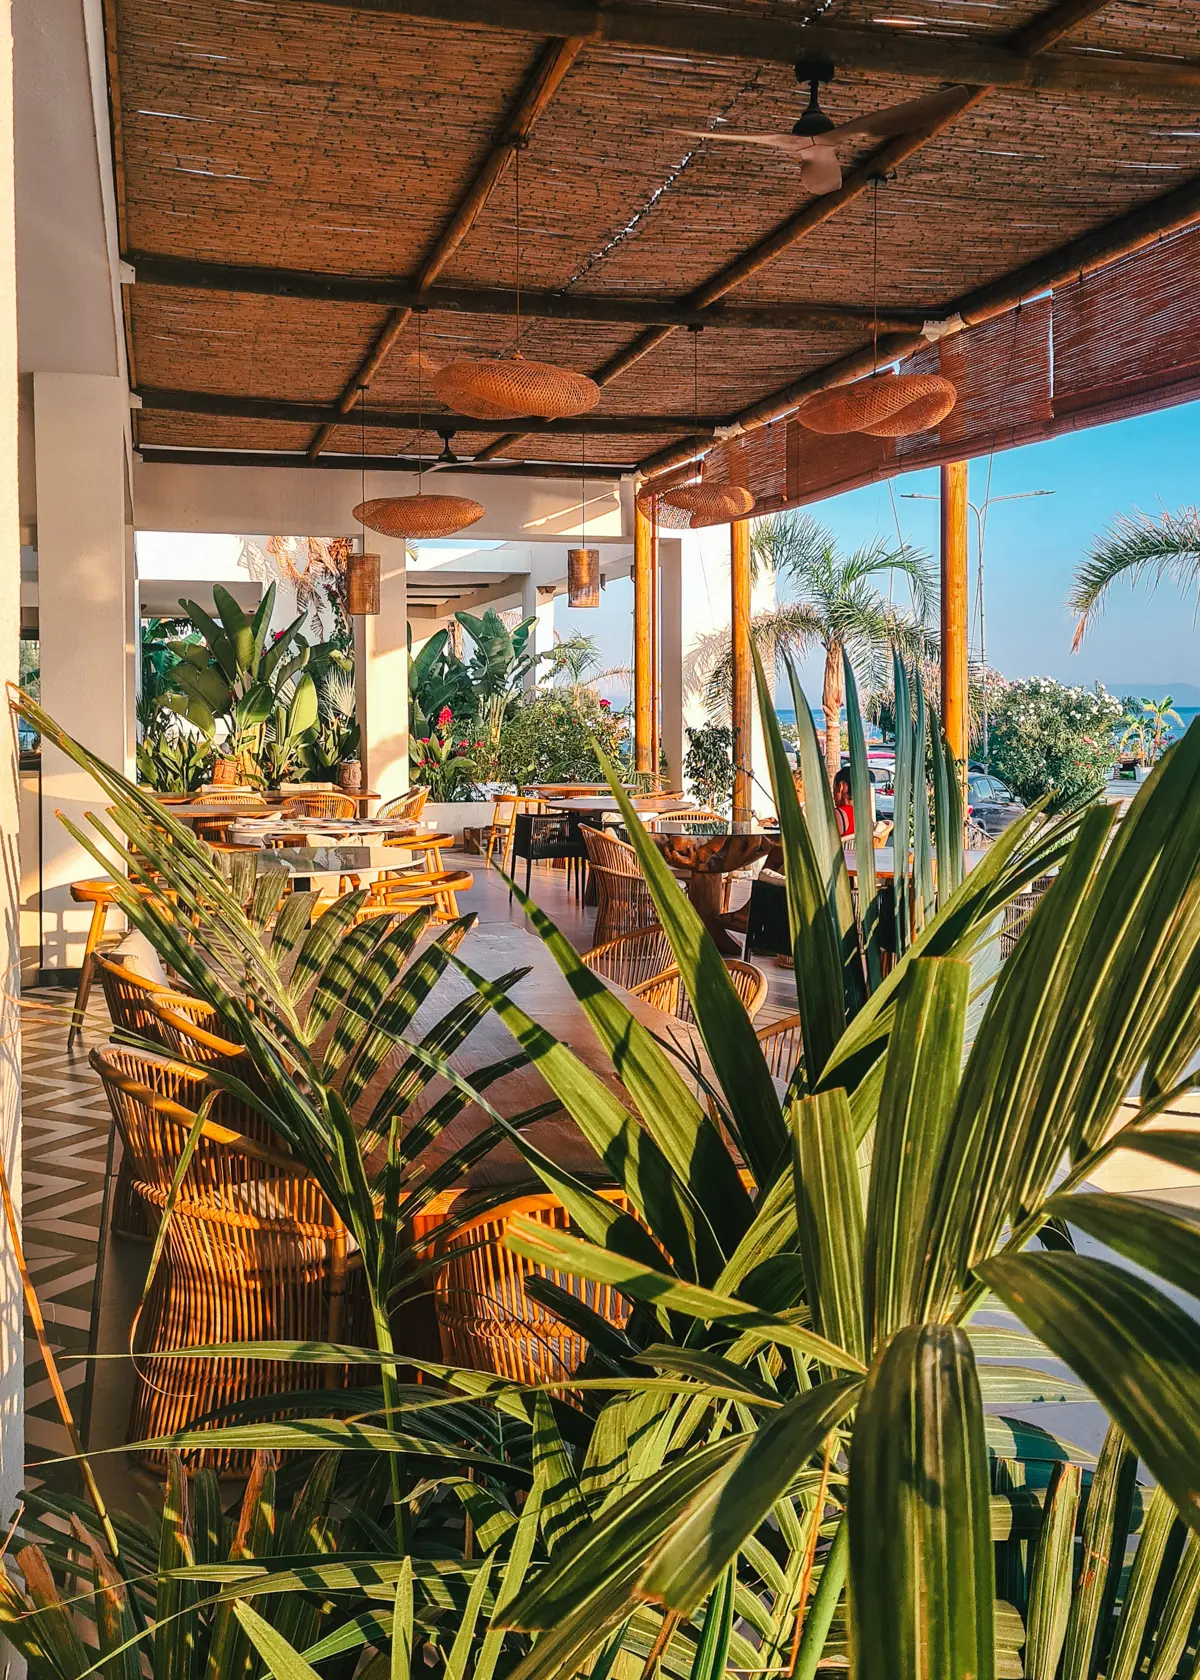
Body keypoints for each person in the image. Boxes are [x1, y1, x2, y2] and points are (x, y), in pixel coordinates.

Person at [832, 769, 854, 838]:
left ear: (840, 786)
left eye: (834, 788)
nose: (833, 795)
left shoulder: (837, 815)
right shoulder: (865, 816)